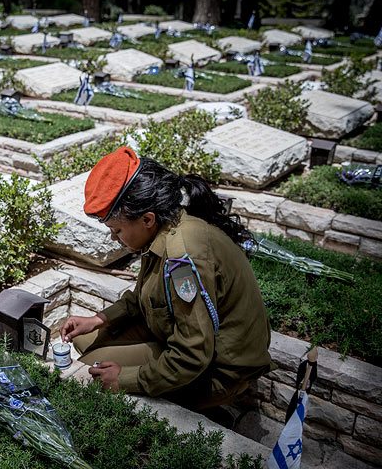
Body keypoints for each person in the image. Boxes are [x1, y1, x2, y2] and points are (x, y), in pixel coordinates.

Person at [60, 147, 275, 410]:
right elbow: (144, 295)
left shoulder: (183, 259)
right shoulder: (166, 226)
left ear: (147, 219)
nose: (113, 238)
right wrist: (97, 320)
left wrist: (126, 379)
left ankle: (214, 410)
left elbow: (192, 355)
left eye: (116, 230)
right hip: (174, 331)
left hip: (218, 370)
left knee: (90, 368)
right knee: (83, 339)